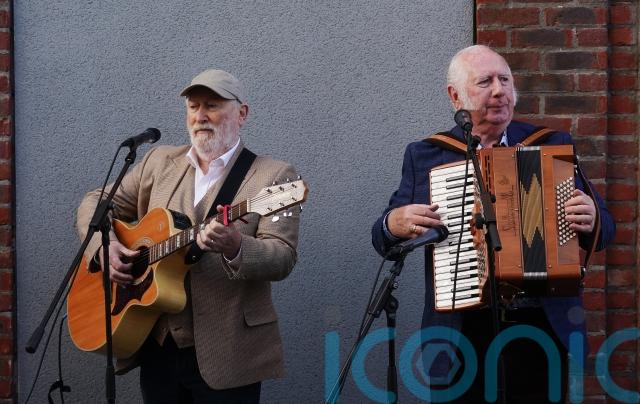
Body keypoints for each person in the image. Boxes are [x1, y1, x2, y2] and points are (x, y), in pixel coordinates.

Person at [371, 45, 615, 402]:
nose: (500, 91)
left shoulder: (551, 145)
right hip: (460, 332)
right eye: (485, 82)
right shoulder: (427, 155)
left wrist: (591, 218)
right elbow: (383, 240)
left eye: (505, 80)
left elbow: (606, 230)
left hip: (539, 326)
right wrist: (393, 223)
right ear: (455, 96)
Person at [76, 69, 300, 403]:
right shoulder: (158, 162)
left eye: (212, 105)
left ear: (242, 113)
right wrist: (102, 249)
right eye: (193, 107)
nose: (200, 116)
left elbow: (283, 256)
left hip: (229, 352)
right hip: (156, 346)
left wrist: (236, 246)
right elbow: (95, 202)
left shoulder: (275, 177)